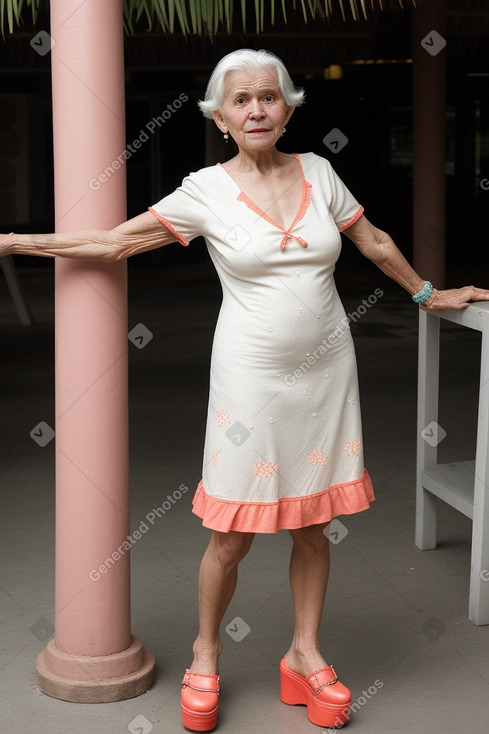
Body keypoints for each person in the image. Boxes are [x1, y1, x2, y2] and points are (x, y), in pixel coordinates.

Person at [1, 48, 488, 731]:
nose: (256, 108)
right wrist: (16, 243)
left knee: (315, 526)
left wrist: (428, 294)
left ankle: (304, 653)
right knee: (231, 532)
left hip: (326, 377)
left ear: (287, 106)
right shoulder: (204, 189)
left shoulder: (318, 172)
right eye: (241, 100)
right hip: (250, 382)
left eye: (268, 96)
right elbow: (113, 245)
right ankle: (206, 654)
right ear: (219, 116)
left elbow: (372, 241)